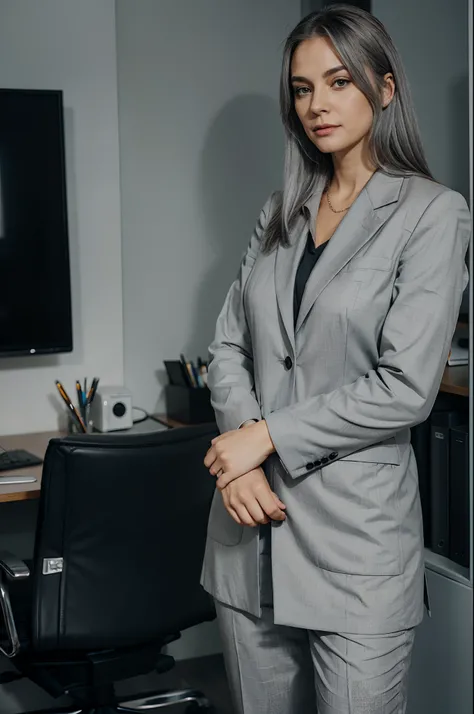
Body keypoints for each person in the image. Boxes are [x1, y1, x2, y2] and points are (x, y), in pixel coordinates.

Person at [201, 4, 471, 713]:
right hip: (247, 539)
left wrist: (263, 438)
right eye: (301, 88)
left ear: (385, 88)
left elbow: (406, 388)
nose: (317, 104)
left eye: (339, 81)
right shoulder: (280, 209)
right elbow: (228, 343)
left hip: (355, 551)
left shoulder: (432, 214)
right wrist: (242, 460)